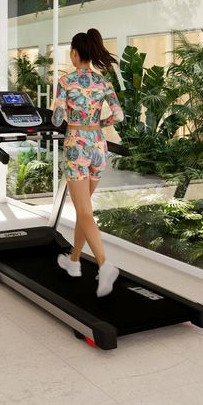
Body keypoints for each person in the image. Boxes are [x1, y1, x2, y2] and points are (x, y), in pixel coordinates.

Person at [52, 28, 124, 297]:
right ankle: (73, 261)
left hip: (77, 147)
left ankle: (105, 265)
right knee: (85, 210)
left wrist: (61, 112)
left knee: (83, 211)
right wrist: (98, 123)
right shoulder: (103, 82)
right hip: (98, 147)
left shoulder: (66, 81)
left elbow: (57, 119)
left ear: (74, 53)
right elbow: (119, 116)